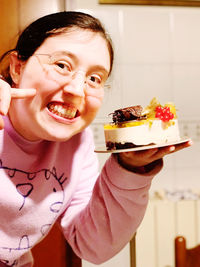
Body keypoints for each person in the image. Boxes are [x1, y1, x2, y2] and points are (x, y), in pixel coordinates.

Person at [0, 11, 192, 267]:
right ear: (17, 67)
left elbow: (93, 246)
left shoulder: (77, 143)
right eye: (61, 65)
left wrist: (130, 169)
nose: (76, 90)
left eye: (94, 78)